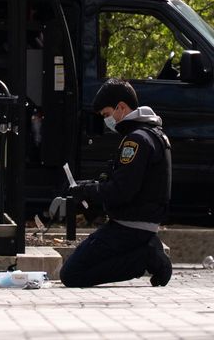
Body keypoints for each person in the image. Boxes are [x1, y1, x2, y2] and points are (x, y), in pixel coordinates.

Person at [59, 78, 172, 288]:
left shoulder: (135, 140)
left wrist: (86, 190)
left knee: (72, 274)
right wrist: (90, 189)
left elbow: (122, 191)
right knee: (84, 266)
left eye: (106, 114)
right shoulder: (153, 134)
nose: (106, 120)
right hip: (140, 224)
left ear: (121, 107)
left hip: (127, 228)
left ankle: (147, 257)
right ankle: (146, 253)